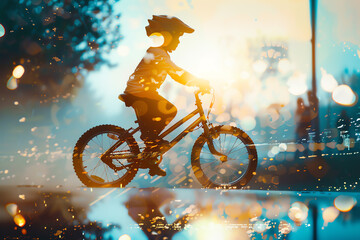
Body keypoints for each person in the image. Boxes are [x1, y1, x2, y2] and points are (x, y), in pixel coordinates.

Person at [121, 15, 210, 176]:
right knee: (169, 110)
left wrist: (195, 82)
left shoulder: (161, 54)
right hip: (139, 93)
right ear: (167, 36)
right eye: (178, 37)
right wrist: (199, 81)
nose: (179, 41)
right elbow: (177, 73)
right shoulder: (156, 52)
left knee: (165, 113)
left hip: (144, 93)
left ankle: (150, 152)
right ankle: (150, 141)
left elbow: (175, 73)